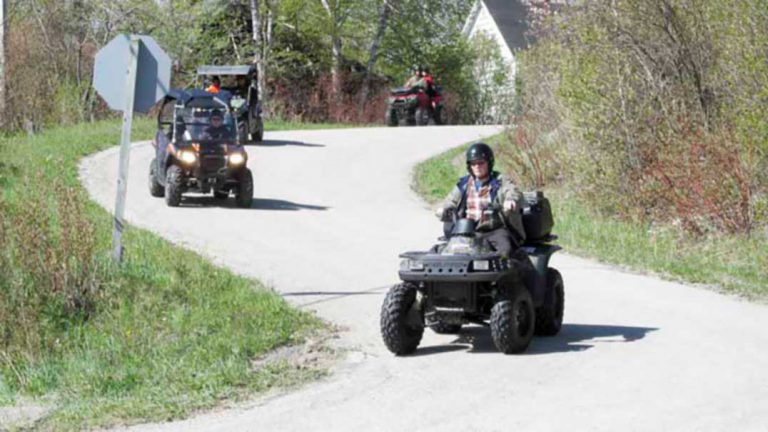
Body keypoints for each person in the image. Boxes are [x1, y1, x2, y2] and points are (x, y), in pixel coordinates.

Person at [436, 143, 526, 258]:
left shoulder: (499, 181)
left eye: (481, 163)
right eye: (473, 163)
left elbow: (512, 191)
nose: (477, 166)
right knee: (442, 251)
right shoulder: (464, 183)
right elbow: (451, 201)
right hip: (466, 231)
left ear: (489, 163)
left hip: (493, 229)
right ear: (469, 166)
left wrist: (510, 200)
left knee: (505, 248)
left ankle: (508, 274)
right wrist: (444, 209)